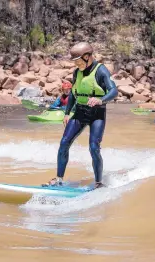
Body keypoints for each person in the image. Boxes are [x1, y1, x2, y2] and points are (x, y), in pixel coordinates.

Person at [42, 42, 118, 189]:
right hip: (79, 113)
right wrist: (67, 112)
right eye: (74, 61)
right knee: (64, 143)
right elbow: (73, 94)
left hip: (97, 114)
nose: (76, 64)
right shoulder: (77, 72)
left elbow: (114, 91)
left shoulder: (101, 71)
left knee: (94, 147)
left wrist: (100, 99)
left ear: (87, 57)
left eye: (77, 60)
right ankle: (58, 179)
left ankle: (98, 183)